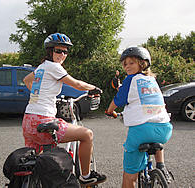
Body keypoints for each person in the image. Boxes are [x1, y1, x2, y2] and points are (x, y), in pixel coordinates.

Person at [22, 33, 106, 186]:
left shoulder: (41, 67)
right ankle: (86, 176)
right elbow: (76, 84)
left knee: (38, 162)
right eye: (58, 51)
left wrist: (39, 95)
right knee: (87, 135)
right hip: (43, 118)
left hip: (28, 120)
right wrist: (94, 88)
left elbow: (27, 80)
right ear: (50, 51)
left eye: (65, 52)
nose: (62, 55)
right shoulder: (54, 67)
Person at [105, 47, 173, 188]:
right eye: (125, 64)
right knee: (155, 129)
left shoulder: (130, 79)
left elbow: (118, 100)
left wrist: (109, 111)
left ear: (142, 64)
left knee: (129, 175)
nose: (127, 66)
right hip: (165, 129)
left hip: (141, 131)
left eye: (131, 63)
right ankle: (161, 165)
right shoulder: (151, 80)